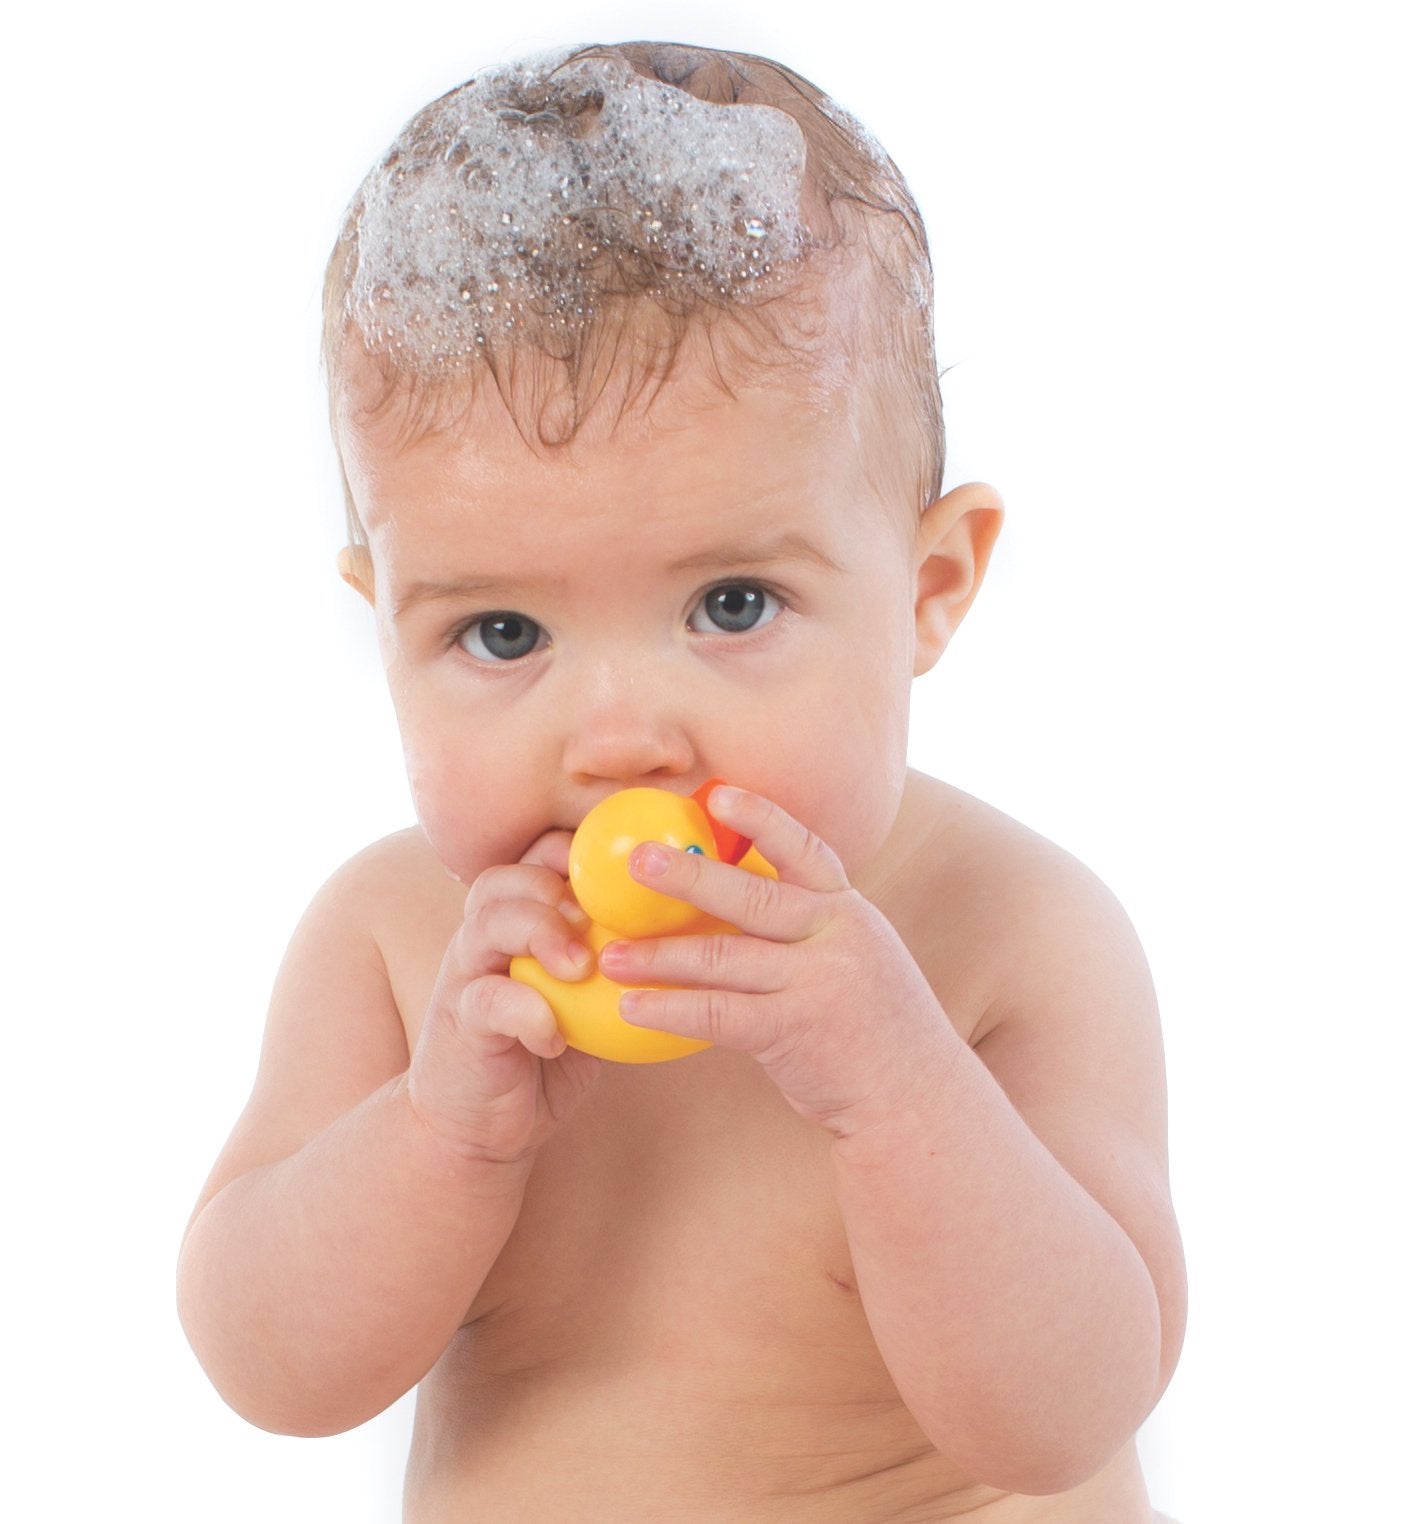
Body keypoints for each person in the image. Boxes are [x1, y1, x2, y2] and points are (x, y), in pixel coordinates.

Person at [178, 41, 1185, 1521]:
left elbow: (1069, 1410)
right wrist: (436, 1136)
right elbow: (272, 1367)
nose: (620, 739)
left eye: (730, 606)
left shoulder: (1010, 931)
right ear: (381, 621)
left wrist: (899, 1090)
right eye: (501, 631)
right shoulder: (400, 949)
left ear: (927, 585)